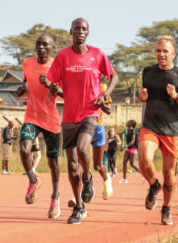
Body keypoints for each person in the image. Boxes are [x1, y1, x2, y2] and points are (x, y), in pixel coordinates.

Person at [47, 18, 118, 224]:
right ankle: (79, 207)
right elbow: (53, 81)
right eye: (76, 28)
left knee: (83, 148)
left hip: (90, 112)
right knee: (71, 164)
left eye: (84, 29)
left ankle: (87, 179)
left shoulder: (97, 54)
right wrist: (52, 87)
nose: (80, 31)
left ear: (88, 33)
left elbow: (113, 76)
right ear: (71, 31)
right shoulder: (63, 56)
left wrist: (105, 96)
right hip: (69, 115)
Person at [138, 35, 178, 225]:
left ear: (173, 53)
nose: (161, 54)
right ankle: (154, 185)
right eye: (158, 50)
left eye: (165, 51)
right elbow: (145, 95)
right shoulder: (147, 72)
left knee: (169, 176)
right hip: (151, 125)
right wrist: (142, 97)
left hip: (171, 131)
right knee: (144, 160)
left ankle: (166, 208)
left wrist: (177, 95)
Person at [16, 34, 63, 219]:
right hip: (32, 117)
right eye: (38, 44)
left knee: (53, 162)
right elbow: (25, 85)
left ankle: (55, 197)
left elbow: (64, 93)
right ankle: (33, 181)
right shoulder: (27, 63)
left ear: (52, 48)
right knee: (23, 148)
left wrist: (52, 85)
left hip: (51, 120)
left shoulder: (57, 67)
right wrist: (21, 91)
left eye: (45, 44)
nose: (41, 47)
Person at [91, 83, 113, 200]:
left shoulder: (103, 88)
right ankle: (83, 191)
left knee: (97, 165)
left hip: (97, 128)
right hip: (80, 126)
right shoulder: (78, 83)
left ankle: (107, 179)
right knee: (78, 162)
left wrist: (101, 104)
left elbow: (109, 110)